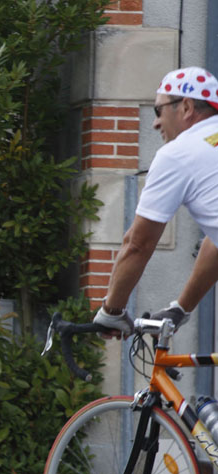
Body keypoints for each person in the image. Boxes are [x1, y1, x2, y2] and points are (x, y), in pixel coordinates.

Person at [94, 66, 218, 336]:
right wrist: (181, 309)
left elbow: (138, 244)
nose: (155, 123)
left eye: (158, 110)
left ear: (185, 107)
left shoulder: (179, 153)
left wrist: (111, 311)